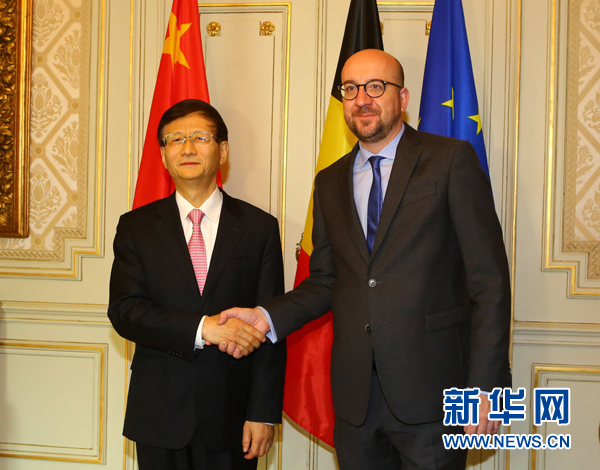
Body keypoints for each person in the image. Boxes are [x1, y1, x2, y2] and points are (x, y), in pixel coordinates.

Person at [218, 50, 512, 469]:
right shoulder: (330, 180)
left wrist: (485, 388)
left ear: (402, 97)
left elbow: (489, 282)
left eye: (376, 86)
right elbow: (325, 280)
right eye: (351, 89)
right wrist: (266, 317)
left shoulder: (449, 160)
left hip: (435, 393)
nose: (362, 99)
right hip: (356, 402)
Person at [108, 99, 286, 470]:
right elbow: (126, 311)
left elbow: (272, 326)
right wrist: (204, 328)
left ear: (223, 151)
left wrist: (263, 413)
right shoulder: (136, 227)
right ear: (163, 155)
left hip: (234, 415)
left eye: (200, 137)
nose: (187, 148)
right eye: (175, 139)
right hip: (159, 412)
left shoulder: (259, 228)